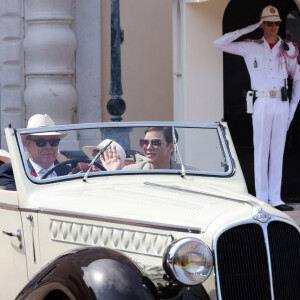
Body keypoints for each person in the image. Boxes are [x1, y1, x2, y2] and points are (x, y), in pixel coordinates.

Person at [214, 5, 300, 211]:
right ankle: (262, 197)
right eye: (269, 23)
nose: (274, 27)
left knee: (277, 150)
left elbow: (297, 80)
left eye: (277, 23)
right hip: (261, 102)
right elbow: (219, 43)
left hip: (281, 102)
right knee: (261, 150)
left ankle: (276, 198)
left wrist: (292, 110)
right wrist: (249, 28)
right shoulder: (250, 46)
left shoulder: (289, 49)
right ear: (262, 25)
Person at [101, 127, 197, 171]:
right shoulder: (130, 171)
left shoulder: (191, 173)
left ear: (170, 147)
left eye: (155, 143)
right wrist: (113, 174)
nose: (148, 148)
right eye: (145, 142)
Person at [22, 114, 71, 179]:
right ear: (28, 145)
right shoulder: (16, 174)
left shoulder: (71, 173)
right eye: (41, 142)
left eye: (53, 142)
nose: (48, 147)